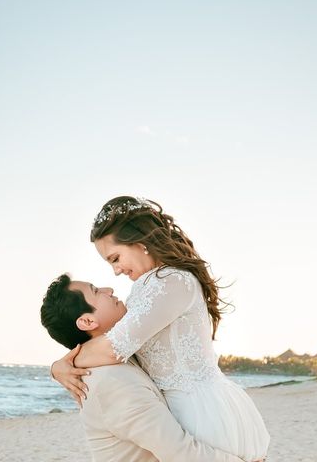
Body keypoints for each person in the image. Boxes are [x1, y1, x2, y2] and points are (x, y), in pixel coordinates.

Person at [51, 197, 269, 462]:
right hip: (177, 411)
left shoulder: (172, 282)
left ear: (140, 242)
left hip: (201, 411)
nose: (116, 271)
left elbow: (113, 348)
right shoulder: (144, 288)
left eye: (116, 258)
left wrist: (62, 364)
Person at [40, 273, 246, 462]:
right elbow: (181, 453)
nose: (109, 289)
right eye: (96, 291)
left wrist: (56, 367)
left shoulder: (120, 356)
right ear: (87, 321)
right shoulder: (113, 383)